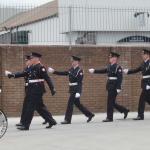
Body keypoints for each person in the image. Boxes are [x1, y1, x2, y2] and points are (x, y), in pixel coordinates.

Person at [7, 52, 57, 130]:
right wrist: (13, 74)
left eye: (32, 58)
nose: (31, 59)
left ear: (36, 58)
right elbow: (24, 73)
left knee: (30, 107)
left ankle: (26, 125)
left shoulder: (41, 67)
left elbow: (47, 78)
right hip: (31, 90)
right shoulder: (33, 67)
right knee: (40, 107)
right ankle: (51, 121)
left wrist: (52, 88)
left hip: (37, 90)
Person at [48, 55, 95, 124]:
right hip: (72, 89)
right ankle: (89, 114)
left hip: (75, 89)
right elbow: (64, 73)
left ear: (76, 61)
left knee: (70, 103)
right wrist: (54, 71)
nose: (71, 62)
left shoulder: (80, 70)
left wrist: (78, 92)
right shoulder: (71, 69)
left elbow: (79, 82)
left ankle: (67, 119)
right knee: (78, 104)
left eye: (72, 61)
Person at [89, 52, 130, 122]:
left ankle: (109, 117)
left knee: (110, 102)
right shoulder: (110, 66)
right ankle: (124, 110)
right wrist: (94, 71)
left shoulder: (118, 67)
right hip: (109, 85)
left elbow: (120, 78)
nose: (110, 58)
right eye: (110, 57)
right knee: (112, 102)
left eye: (111, 57)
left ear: (115, 58)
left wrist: (118, 87)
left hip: (114, 86)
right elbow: (104, 70)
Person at [123, 49, 150, 120]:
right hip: (144, 83)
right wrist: (129, 71)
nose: (142, 55)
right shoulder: (143, 63)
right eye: (142, 54)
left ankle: (140, 115)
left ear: (147, 55)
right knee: (147, 98)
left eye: (143, 54)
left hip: (148, 83)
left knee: (142, 98)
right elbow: (137, 69)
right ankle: (140, 115)